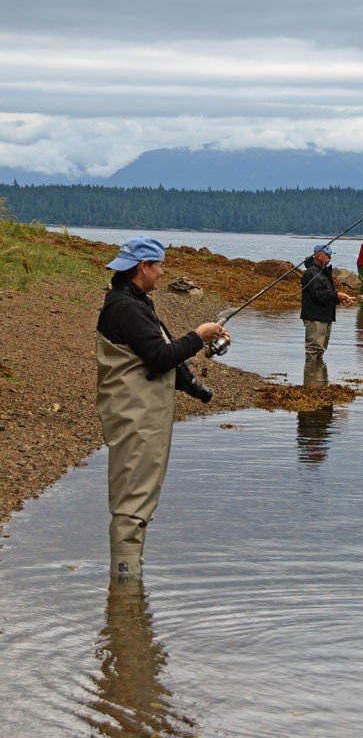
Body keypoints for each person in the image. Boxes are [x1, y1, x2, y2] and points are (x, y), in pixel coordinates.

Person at [96, 235, 227, 580]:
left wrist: (194, 385)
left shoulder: (131, 302)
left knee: (138, 494)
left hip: (139, 414)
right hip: (135, 416)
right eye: (159, 266)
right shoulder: (127, 308)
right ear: (143, 267)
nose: (162, 272)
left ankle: (129, 579)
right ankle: (124, 584)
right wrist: (199, 335)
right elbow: (159, 355)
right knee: (133, 498)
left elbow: (162, 358)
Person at [300, 243, 354, 359]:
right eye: (328, 255)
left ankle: (317, 375)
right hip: (315, 316)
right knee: (314, 350)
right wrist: (337, 295)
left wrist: (340, 299)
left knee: (320, 350)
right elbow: (319, 294)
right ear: (319, 256)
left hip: (324, 315)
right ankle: (312, 375)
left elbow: (326, 294)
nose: (330, 258)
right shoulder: (312, 272)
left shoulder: (322, 271)